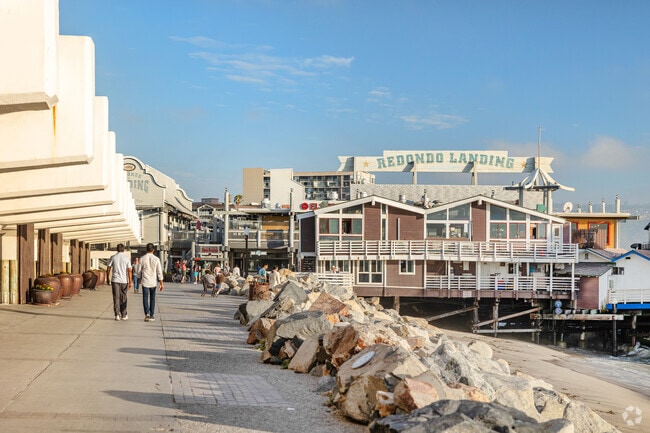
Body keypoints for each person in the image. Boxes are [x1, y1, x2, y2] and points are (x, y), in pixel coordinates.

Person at [106, 243, 132, 321]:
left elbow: (108, 268)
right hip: (124, 280)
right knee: (123, 297)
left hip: (115, 280)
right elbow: (129, 270)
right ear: (123, 249)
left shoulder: (113, 257)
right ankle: (124, 314)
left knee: (116, 297)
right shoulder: (126, 258)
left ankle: (117, 314)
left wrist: (107, 278)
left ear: (117, 249)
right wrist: (130, 281)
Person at [139, 243, 164, 322]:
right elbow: (159, 271)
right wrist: (161, 283)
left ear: (146, 249)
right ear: (153, 250)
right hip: (153, 282)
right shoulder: (156, 259)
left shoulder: (142, 258)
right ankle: (152, 315)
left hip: (145, 281)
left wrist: (139, 279)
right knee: (152, 298)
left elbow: (139, 271)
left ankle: (147, 313)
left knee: (145, 298)